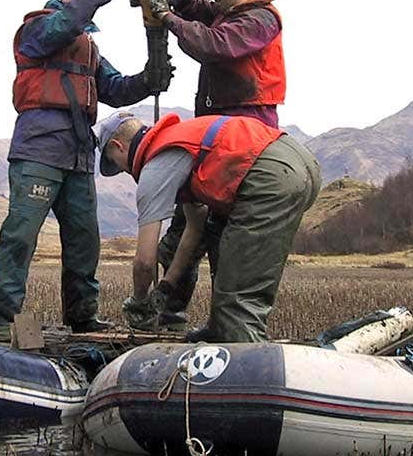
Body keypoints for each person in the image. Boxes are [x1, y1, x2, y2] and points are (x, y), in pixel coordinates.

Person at [0, 0, 166, 340]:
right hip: (39, 150)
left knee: (85, 242)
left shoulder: (89, 49)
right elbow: (64, 26)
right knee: (21, 236)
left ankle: (82, 317)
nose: (86, 26)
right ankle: (1, 319)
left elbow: (115, 88)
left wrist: (152, 76)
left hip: (79, 156)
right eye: (83, 10)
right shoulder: (36, 29)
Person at [127, 0, 286, 331]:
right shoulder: (227, 14)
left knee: (223, 237)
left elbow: (213, 44)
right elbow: (193, 10)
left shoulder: (261, 19)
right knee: (186, 230)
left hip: (246, 134)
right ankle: (170, 314)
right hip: (216, 134)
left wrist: (166, 17)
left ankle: (225, 326)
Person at [96, 110, 320, 343]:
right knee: (226, 259)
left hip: (271, 174)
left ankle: (242, 364)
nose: (122, 170)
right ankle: (220, 333)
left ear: (118, 146)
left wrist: (140, 303)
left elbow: (144, 262)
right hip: (297, 160)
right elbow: (195, 227)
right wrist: (166, 287)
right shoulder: (178, 142)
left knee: (237, 303)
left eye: (115, 162)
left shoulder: (154, 168)